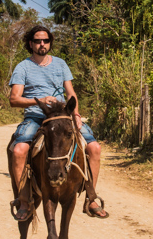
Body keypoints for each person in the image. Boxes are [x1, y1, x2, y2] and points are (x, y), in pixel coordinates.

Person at [7, 25, 108, 220]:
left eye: (45, 41)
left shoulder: (61, 64)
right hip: (37, 116)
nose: (42, 44)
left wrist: (76, 115)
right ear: (31, 44)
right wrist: (40, 100)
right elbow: (14, 99)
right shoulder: (23, 67)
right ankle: (25, 201)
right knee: (19, 150)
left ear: (50, 43)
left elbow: (70, 93)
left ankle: (91, 197)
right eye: (37, 41)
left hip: (62, 116)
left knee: (94, 147)